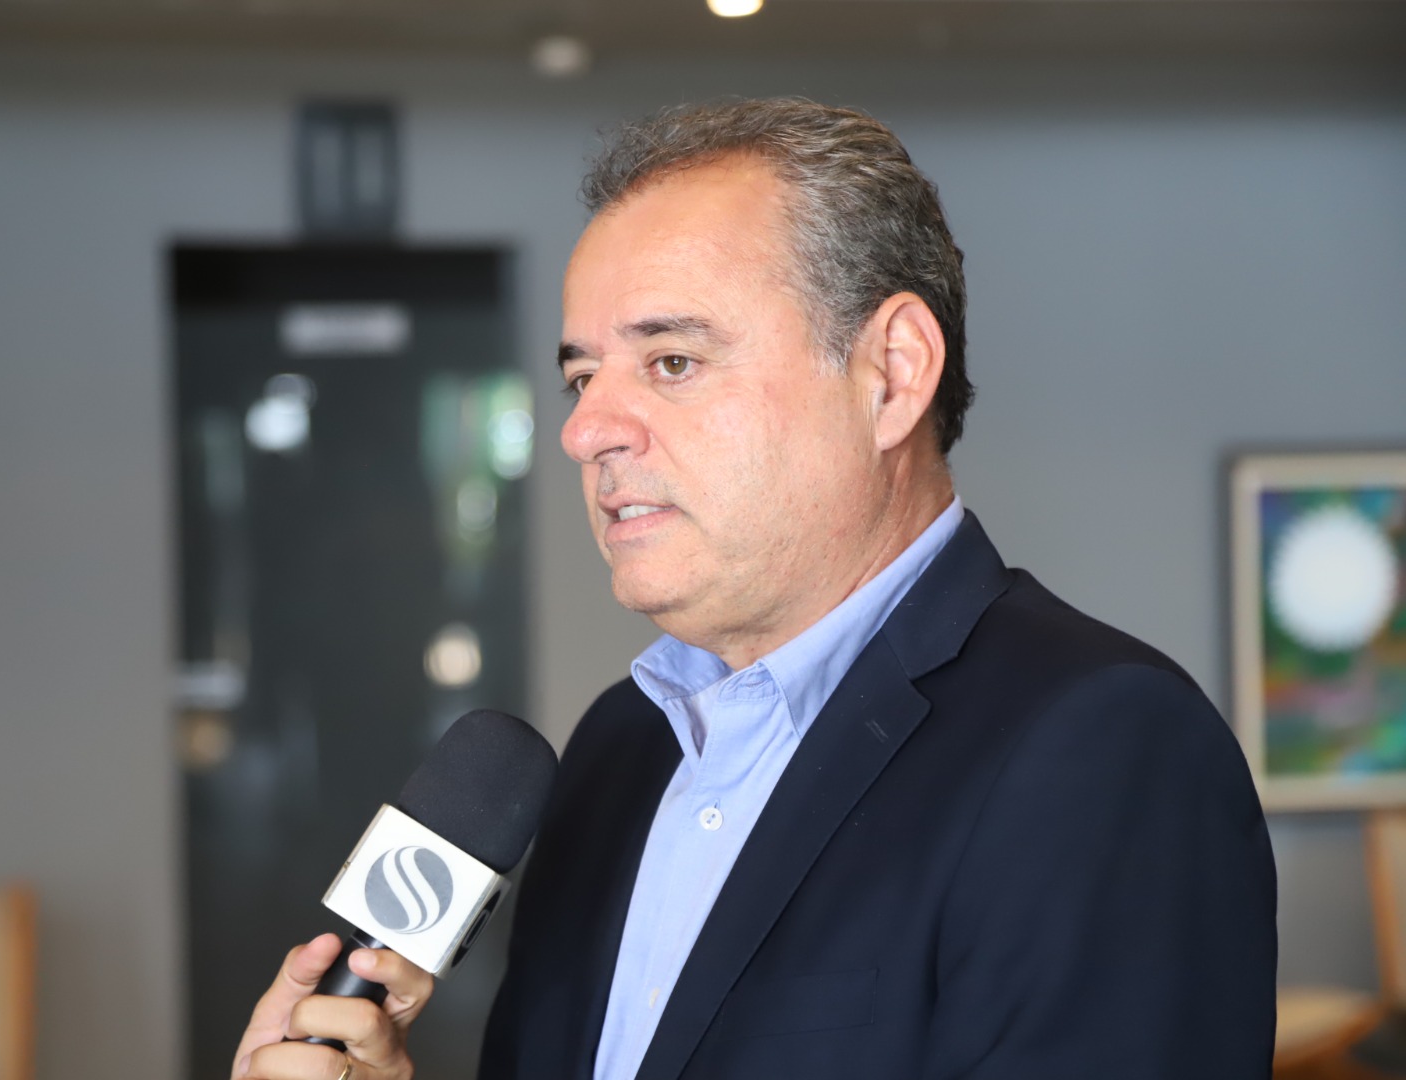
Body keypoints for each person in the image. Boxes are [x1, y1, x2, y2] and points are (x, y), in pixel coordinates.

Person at [233, 98, 1278, 1080]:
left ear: (892, 373)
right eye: (582, 377)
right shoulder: (617, 750)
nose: (586, 430)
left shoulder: (1103, 747)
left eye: (672, 362)